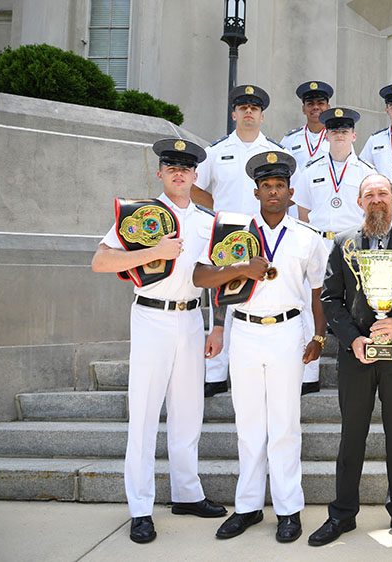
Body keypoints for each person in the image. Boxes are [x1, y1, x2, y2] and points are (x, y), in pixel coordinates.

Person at [91, 138, 228, 544]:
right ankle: (141, 508)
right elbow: (100, 261)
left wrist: (217, 325)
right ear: (160, 173)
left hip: (190, 320)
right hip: (151, 315)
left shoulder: (207, 221)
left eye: (186, 168)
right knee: (146, 415)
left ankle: (187, 494)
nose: (179, 174)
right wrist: (154, 248)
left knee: (189, 413)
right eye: (172, 167)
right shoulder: (142, 215)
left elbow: (214, 275)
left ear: (195, 175)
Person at [193, 151, 327, 544]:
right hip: (245, 332)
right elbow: (202, 277)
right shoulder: (234, 232)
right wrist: (239, 268)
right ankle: (248, 506)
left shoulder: (307, 237)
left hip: (287, 332)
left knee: (284, 425)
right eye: (266, 186)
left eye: (279, 186)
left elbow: (319, 292)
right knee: (248, 425)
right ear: (255, 191)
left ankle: (288, 509)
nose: (273, 192)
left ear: (290, 192)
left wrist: (318, 336)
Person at [309, 174, 392, 547]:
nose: (377, 200)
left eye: (383, 193)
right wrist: (352, 339)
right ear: (359, 202)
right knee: (351, 435)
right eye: (369, 195)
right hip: (356, 357)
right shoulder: (344, 243)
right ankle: (342, 514)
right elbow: (330, 299)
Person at [191, 84, 292, 397]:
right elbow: (196, 188)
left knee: (261, 301)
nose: (249, 112)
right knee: (221, 303)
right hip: (225, 237)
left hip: (264, 233)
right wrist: (218, 208)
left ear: (262, 116)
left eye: (255, 108)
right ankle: (216, 373)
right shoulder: (216, 151)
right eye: (243, 107)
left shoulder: (276, 152)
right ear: (234, 113)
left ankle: (260, 370)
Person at [292, 107, 376, 393]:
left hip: (350, 245)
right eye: (334, 131)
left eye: (344, 131)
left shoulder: (366, 173)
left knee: (352, 307)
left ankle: (352, 365)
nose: (339, 135)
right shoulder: (311, 170)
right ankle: (309, 374)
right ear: (326, 135)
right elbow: (303, 211)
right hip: (317, 242)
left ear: (354, 135)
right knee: (311, 304)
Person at [279, 81, 334, 171]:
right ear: (303, 109)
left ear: (328, 108)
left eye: (320, 103)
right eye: (310, 104)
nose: (315, 107)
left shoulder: (337, 138)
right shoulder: (290, 139)